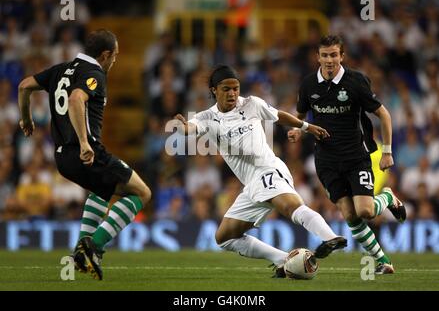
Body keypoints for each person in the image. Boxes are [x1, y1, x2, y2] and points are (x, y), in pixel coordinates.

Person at [174, 64, 347, 278]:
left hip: (268, 169)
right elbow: (191, 127)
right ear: (214, 90)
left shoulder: (252, 104)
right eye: (226, 89)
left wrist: (306, 127)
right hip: (251, 185)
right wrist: (183, 128)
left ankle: (330, 237)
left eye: (235, 88)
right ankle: (284, 260)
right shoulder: (207, 118)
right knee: (225, 237)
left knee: (290, 206)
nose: (232, 93)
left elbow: (278, 115)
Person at [18, 29, 151, 280]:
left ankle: (82, 251)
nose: (115, 61)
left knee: (101, 190)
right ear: (105, 55)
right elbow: (76, 99)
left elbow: (24, 86)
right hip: (85, 152)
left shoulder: (61, 69)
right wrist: (84, 142)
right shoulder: (94, 73)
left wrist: (26, 119)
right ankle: (94, 245)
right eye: (115, 56)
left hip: (61, 159)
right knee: (142, 193)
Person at [288, 35, 406, 274]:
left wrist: (387, 152)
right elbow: (300, 115)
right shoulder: (309, 84)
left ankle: (387, 197)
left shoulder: (356, 82)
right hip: (326, 161)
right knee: (350, 215)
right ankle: (383, 260)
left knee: (365, 211)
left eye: (334, 55)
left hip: (355, 157)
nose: (329, 60)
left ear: (342, 56)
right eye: (325, 55)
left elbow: (384, 115)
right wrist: (298, 130)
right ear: (317, 57)